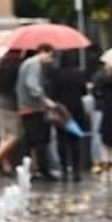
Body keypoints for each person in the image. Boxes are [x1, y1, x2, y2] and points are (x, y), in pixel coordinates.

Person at [15, 44, 59, 181]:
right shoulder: (34, 64)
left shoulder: (27, 63)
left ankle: (26, 170)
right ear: (42, 52)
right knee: (40, 141)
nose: (51, 61)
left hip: (25, 107)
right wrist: (45, 100)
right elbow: (32, 85)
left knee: (28, 142)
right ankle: (43, 170)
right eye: (50, 56)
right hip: (34, 108)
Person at [46, 52, 91, 182]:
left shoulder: (55, 74)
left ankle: (65, 169)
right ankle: (77, 171)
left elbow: (51, 92)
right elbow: (84, 91)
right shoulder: (79, 73)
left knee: (61, 140)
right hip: (77, 109)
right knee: (75, 140)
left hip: (61, 111)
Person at [0, 50, 23, 176]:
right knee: (15, 135)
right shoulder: (17, 65)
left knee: (5, 137)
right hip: (11, 104)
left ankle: (6, 167)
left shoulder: (1, 63)